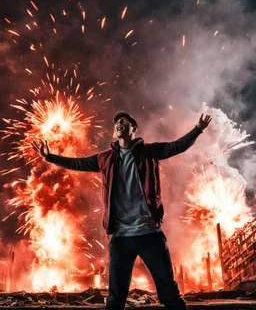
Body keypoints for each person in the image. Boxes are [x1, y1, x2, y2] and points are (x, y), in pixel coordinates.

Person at [32, 111, 212, 310]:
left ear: (133, 129)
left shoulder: (149, 151)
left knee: (169, 293)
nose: (119, 123)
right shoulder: (104, 159)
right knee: (115, 300)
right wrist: (49, 157)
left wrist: (198, 129)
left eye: (124, 121)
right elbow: (77, 163)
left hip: (150, 234)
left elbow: (176, 146)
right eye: (117, 121)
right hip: (120, 238)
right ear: (114, 131)